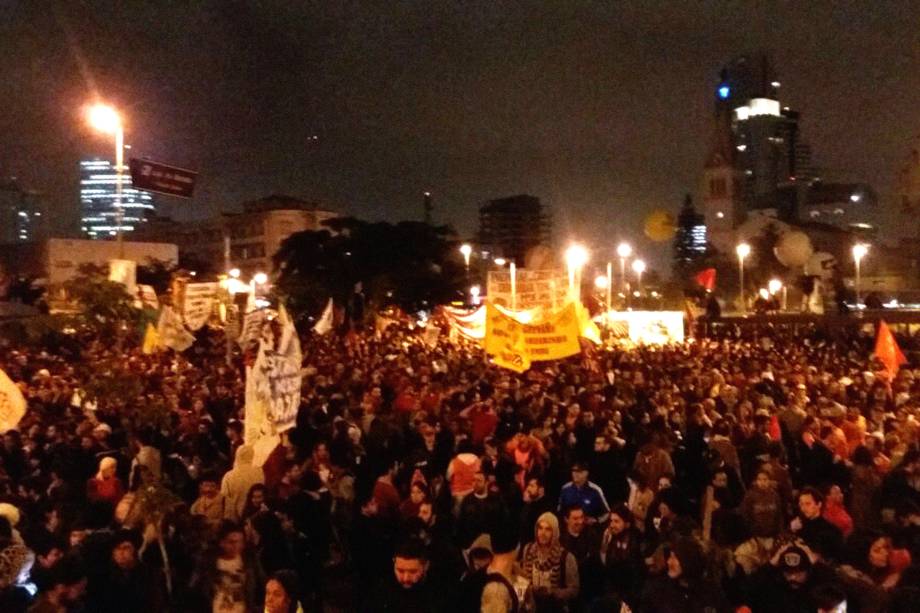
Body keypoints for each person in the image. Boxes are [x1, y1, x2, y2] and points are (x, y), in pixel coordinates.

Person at [639, 536, 730, 613]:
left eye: (675, 558)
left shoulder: (712, 593)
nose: (669, 562)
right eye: (670, 556)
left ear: (688, 562)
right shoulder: (657, 590)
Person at [85, 529, 164, 613]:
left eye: (126, 548)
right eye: (117, 548)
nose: (121, 552)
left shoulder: (149, 574)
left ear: (134, 550)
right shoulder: (104, 576)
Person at [518, 513, 578, 613]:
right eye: (540, 528)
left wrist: (553, 592)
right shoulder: (528, 550)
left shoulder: (566, 557)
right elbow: (523, 579)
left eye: (548, 529)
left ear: (554, 533)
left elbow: (574, 589)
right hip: (531, 607)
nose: (543, 533)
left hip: (554, 608)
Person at [365, 539, 440, 612]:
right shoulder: (381, 592)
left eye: (413, 571)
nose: (406, 578)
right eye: (400, 571)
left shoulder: (439, 594)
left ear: (426, 566)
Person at [600, 504, 643, 607]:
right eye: (611, 521)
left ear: (627, 523)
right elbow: (604, 563)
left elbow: (635, 574)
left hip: (629, 595)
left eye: (616, 521)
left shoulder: (635, 540)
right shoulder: (612, 537)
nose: (612, 525)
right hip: (612, 591)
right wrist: (605, 542)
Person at [791, 487, 844, 563]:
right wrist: (791, 531)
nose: (803, 508)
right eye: (801, 504)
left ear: (819, 504)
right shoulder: (798, 527)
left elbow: (835, 559)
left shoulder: (832, 531)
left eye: (808, 504)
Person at [220, 445, 265, 522]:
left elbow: (225, 498)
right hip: (255, 514)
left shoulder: (229, 476)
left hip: (235, 517)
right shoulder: (259, 472)